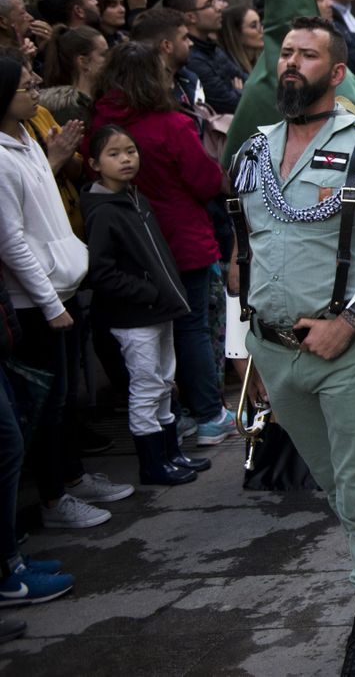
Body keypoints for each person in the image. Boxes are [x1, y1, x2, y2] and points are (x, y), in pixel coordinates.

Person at [226, 17, 355, 676]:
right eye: (285, 54)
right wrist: (245, 354)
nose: (290, 63)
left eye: (307, 55)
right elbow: (243, 258)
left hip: (350, 351)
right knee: (340, 490)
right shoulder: (253, 153)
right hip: (275, 352)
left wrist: (352, 320)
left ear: (336, 73)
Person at [0, 56, 132, 532]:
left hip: (60, 288)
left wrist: (54, 160)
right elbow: (11, 239)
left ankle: (72, 477)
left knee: (64, 399)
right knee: (48, 404)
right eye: (23, 84)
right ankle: (55, 498)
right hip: (34, 302)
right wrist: (50, 304)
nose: (35, 85)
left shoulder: (28, 139)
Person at [87, 41, 230, 444]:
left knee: (150, 337)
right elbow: (203, 180)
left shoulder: (100, 123)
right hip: (181, 239)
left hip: (129, 247)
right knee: (190, 328)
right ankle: (207, 415)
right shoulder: (170, 124)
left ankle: (172, 416)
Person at [80, 125, 210, 486]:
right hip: (135, 315)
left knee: (164, 380)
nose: (126, 159)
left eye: (130, 151)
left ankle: (171, 452)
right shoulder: (104, 212)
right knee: (146, 385)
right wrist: (151, 292)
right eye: (114, 154)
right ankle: (152, 464)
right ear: (94, 163)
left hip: (159, 310)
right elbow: (103, 273)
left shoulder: (137, 198)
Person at [164, 0, 245, 113]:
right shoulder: (191, 58)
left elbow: (246, 79)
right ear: (191, 17)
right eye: (209, 5)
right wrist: (240, 91)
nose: (219, 8)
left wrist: (238, 91)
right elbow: (232, 104)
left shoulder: (212, 47)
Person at [220, 3, 264, 74]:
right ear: (237, 34)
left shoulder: (265, 62)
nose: (261, 30)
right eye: (253, 26)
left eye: (260, 24)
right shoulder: (232, 71)